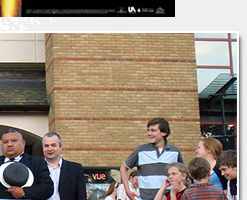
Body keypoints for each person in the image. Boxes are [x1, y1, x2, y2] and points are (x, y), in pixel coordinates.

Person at [120, 118, 184, 200]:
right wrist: (127, 190)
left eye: (153, 131)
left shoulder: (175, 151)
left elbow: (184, 174)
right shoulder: (140, 150)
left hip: (167, 197)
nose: (149, 133)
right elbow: (123, 168)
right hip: (144, 198)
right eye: (148, 130)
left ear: (164, 133)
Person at [0, 128, 53, 199]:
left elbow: (48, 188)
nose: (9, 144)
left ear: (23, 143)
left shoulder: (37, 163)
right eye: (5, 142)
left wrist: (24, 192)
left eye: (14, 141)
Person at [42, 132, 87, 200]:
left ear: (61, 147)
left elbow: (81, 195)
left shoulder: (75, 169)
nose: (50, 149)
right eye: (46, 146)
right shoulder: (35, 167)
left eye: (53, 145)